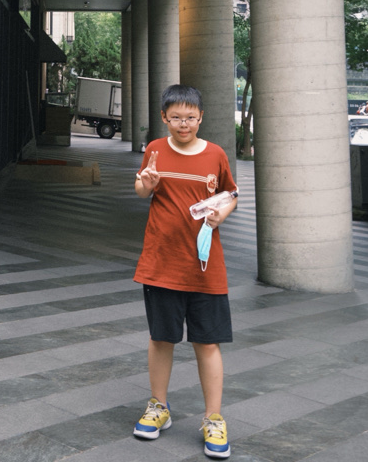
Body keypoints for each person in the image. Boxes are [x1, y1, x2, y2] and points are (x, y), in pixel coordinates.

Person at [132, 84, 238, 458]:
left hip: (206, 268)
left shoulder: (216, 154)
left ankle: (214, 419)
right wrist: (146, 185)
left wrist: (221, 213)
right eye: (175, 117)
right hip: (161, 263)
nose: (183, 124)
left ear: (201, 117)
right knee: (162, 338)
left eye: (190, 117)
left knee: (207, 342)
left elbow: (231, 194)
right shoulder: (155, 150)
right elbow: (142, 188)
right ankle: (158, 407)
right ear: (164, 117)